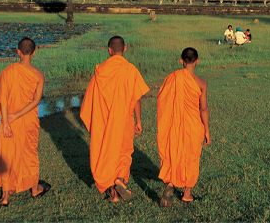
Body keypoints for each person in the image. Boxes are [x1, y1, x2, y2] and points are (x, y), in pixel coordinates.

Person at [80, 36, 150, 202]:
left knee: (107, 152)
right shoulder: (130, 69)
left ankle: (113, 193)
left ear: (109, 50)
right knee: (124, 151)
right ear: (125, 48)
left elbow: (90, 98)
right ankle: (119, 178)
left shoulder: (100, 70)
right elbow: (136, 98)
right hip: (124, 119)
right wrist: (138, 121)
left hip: (103, 120)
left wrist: (93, 119)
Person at [0, 37, 50, 207]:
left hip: (7, 119)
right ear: (34, 52)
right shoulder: (38, 75)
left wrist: (7, 121)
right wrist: (16, 116)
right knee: (29, 153)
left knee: (7, 154)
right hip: (26, 119)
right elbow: (36, 101)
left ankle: (5, 197)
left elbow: (2, 99)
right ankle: (34, 189)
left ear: (18, 52)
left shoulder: (8, 71)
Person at [157, 47, 211, 207]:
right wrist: (207, 130)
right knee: (192, 157)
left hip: (174, 124)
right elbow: (203, 108)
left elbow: (162, 101)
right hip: (194, 126)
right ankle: (187, 194)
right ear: (197, 61)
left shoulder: (172, 78)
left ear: (181, 61)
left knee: (173, 152)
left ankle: (170, 184)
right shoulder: (201, 83)